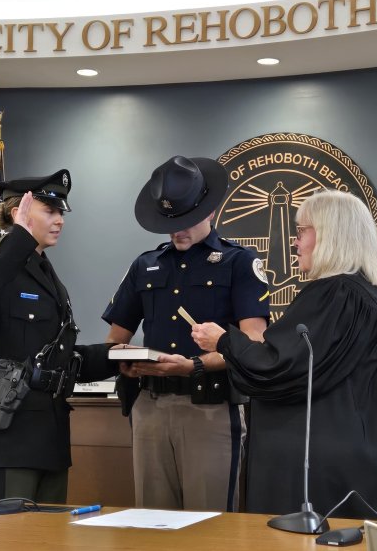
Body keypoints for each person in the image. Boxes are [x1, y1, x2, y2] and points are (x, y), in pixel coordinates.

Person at [192, 190, 377, 519]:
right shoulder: (371, 295)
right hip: (363, 457)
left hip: (318, 467)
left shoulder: (332, 294)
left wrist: (224, 340)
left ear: (330, 233)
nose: (295, 243)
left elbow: (278, 368)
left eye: (302, 231)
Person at [102, 155, 270, 512]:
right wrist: (126, 361)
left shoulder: (239, 262)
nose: (177, 230)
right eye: (169, 221)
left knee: (210, 523)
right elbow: (115, 339)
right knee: (151, 522)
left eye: (186, 220)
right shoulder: (145, 265)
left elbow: (253, 344)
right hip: (149, 408)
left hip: (208, 407)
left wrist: (192, 365)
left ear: (209, 211)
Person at [0, 169, 116, 503]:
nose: (60, 220)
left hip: (47, 437)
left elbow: (54, 357)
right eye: (50, 211)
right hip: (5, 437)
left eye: (61, 213)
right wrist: (19, 240)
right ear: (18, 212)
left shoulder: (44, 272)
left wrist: (116, 357)